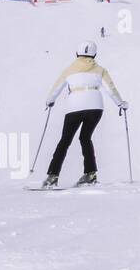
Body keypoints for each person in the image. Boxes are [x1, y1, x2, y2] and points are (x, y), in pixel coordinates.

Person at [41, 41, 127, 188]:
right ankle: (90, 174)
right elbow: (110, 89)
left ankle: (52, 176)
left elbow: (57, 88)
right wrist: (120, 103)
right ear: (94, 54)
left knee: (65, 141)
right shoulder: (100, 70)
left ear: (77, 54)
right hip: (95, 107)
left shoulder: (69, 70)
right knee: (85, 138)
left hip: (75, 106)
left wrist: (50, 101)